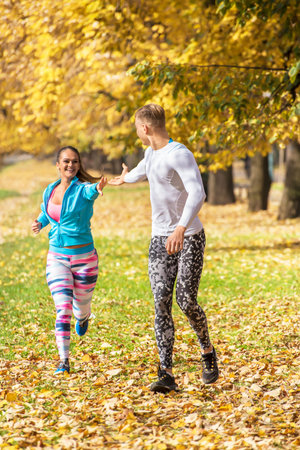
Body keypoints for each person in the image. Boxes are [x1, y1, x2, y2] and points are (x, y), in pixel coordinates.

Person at [109, 104, 219, 393]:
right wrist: (124, 178)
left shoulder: (179, 154)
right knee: (160, 303)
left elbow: (198, 191)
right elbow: (144, 170)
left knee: (185, 301)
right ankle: (166, 373)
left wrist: (181, 227)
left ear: (145, 128)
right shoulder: (151, 152)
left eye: (136, 128)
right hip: (159, 240)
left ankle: (207, 350)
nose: (137, 132)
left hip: (189, 236)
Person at [32, 146, 107, 375]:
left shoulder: (82, 189)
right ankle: (64, 361)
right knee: (62, 308)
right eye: (66, 161)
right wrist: (39, 222)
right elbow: (48, 212)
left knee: (80, 306)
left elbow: (91, 192)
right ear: (58, 165)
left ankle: (83, 317)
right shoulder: (50, 189)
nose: (70, 165)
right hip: (57, 257)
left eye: (75, 161)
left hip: (85, 259)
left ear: (78, 165)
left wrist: (99, 187)